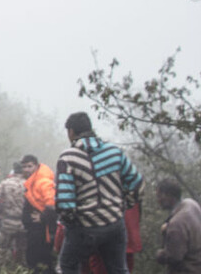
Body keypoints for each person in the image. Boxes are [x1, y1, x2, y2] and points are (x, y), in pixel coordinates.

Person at [55, 112, 143, 274]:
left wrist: (72, 226)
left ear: (71, 132)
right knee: (118, 269)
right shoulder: (114, 152)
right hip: (114, 224)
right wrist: (124, 205)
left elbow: (64, 202)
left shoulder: (68, 157)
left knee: (67, 266)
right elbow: (136, 182)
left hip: (84, 227)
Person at [155, 179, 201, 274]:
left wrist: (159, 255)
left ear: (168, 196)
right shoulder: (191, 204)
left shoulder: (176, 224)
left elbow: (174, 257)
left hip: (196, 270)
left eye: (159, 196)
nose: (158, 200)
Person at [20, 154, 56, 274]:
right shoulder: (32, 182)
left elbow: (52, 205)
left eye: (29, 166)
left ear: (36, 166)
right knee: (35, 261)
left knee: (42, 262)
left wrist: (42, 217)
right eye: (24, 167)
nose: (26, 170)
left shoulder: (42, 181)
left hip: (42, 231)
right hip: (35, 230)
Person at [0, 162, 28, 264]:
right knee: (21, 251)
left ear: (14, 171)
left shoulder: (6, 183)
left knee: (2, 250)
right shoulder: (28, 184)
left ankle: (1, 268)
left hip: (8, 221)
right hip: (23, 222)